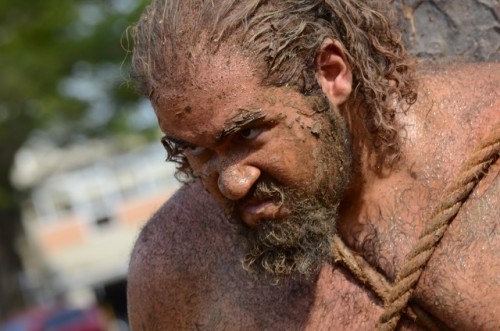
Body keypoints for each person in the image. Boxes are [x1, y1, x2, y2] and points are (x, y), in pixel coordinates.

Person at [126, 0, 499, 330]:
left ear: (331, 73)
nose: (232, 183)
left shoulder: (486, 142)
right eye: (195, 150)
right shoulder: (173, 270)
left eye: (249, 133)